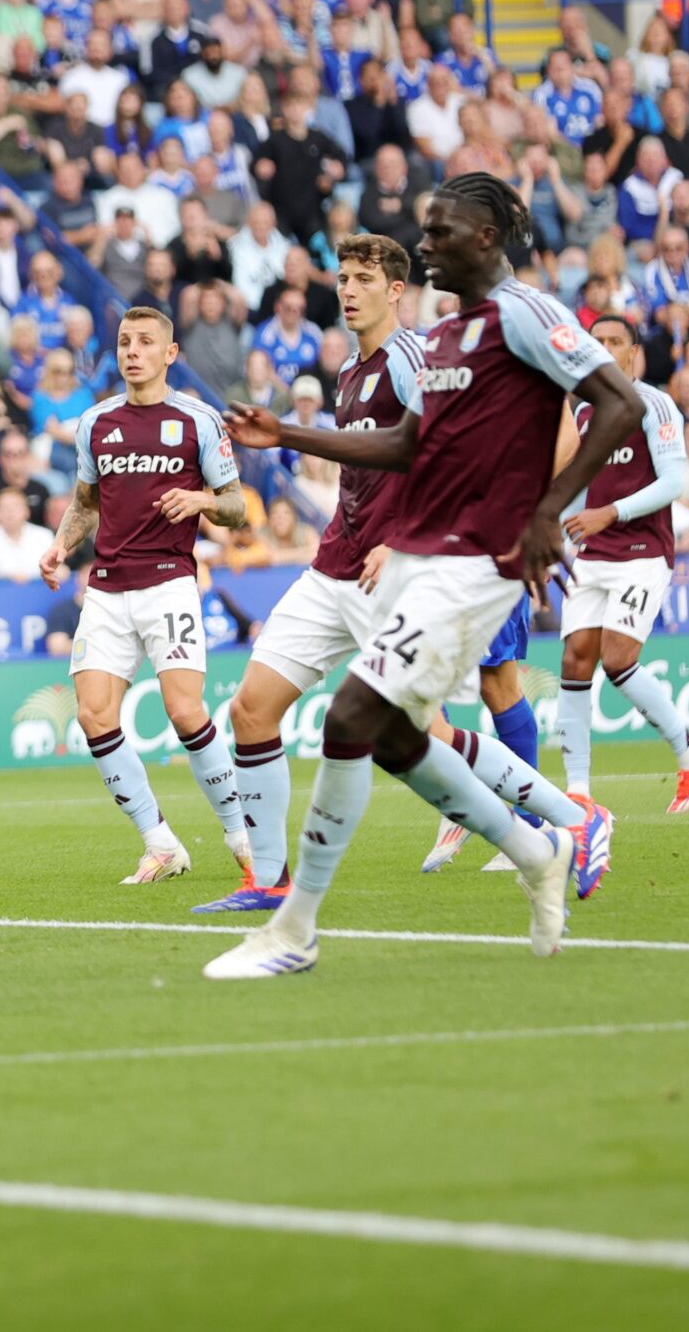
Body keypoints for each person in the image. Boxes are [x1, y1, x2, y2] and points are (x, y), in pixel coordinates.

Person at [208, 174, 635, 980]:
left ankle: (295, 928)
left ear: (487, 236)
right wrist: (286, 435)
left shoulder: (527, 313)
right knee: (399, 736)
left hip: (477, 561)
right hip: (412, 558)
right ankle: (538, 842)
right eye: (425, 229)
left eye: (440, 230)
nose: (428, 241)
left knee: (352, 717)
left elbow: (618, 405)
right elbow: (406, 445)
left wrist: (548, 513)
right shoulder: (447, 339)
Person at [190, 234, 429, 911]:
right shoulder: (351, 371)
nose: (348, 289)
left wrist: (403, 540)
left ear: (395, 291)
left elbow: (442, 461)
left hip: (390, 570)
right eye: (344, 277)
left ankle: (564, 821)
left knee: (421, 738)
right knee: (251, 709)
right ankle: (269, 880)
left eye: (362, 279)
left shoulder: (411, 361)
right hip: (334, 565)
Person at [36, 306, 252, 885]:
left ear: (169, 354)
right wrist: (60, 547)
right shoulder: (95, 423)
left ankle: (239, 831)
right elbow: (85, 502)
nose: (133, 351)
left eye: (145, 342)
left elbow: (237, 505)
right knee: (92, 715)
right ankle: (160, 842)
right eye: (125, 341)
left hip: (169, 583)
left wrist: (203, 501)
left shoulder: (198, 421)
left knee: (184, 711)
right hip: (106, 587)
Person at [553, 315, 689, 812]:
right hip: (592, 554)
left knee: (618, 658)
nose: (604, 348)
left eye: (614, 341)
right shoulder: (584, 411)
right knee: (573, 661)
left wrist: (610, 512)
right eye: (596, 341)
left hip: (641, 551)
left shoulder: (653, 402)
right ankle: (578, 792)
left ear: (633, 353)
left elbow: (674, 482)